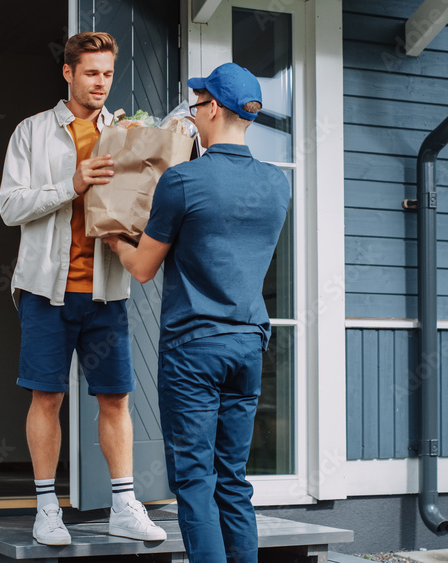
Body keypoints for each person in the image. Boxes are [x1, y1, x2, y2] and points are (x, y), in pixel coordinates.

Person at [105, 63, 290, 563]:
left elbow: (143, 268)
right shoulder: (277, 185)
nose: (192, 110)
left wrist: (115, 239)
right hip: (248, 345)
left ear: (213, 109)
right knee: (232, 479)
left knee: (194, 479)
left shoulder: (182, 181)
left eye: (197, 102)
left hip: (194, 349)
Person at [0, 31, 166, 546]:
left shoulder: (127, 131)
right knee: (46, 398)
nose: (101, 83)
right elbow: (10, 207)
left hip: (107, 293)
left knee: (115, 399)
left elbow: (142, 205)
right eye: (91, 72)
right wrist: (71, 184)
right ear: (67, 72)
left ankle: (123, 505)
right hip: (45, 291)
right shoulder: (31, 133)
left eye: (108, 73)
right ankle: (47, 507)